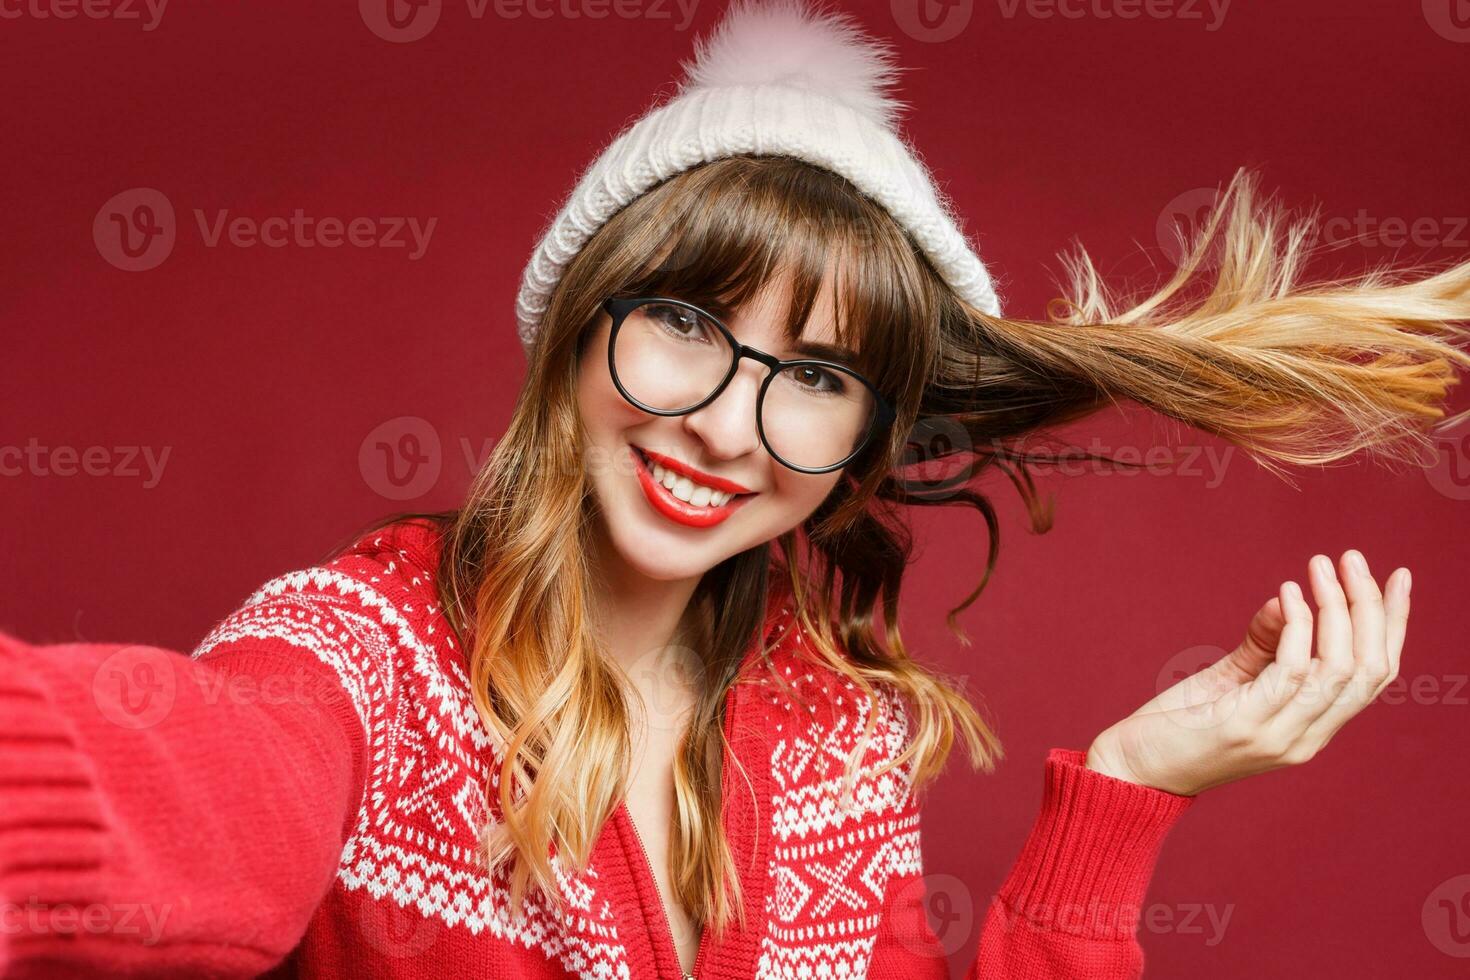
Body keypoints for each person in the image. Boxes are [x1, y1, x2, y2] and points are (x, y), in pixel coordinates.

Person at [3, 0, 1466, 977]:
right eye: (688, 328)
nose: (723, 426)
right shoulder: (358, 655)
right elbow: (193, 787)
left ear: (863, 444)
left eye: (818, 379)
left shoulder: (842, 739)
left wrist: (1130, 795)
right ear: (577, 333)